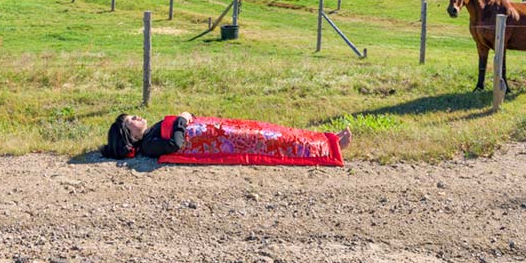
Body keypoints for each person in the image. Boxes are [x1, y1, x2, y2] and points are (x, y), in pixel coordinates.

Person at [102, 110, 352, 165]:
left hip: (215, 130)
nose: (137, 117)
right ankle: (328, 148)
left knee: (265, 129)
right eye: (131, 120)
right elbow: (175, 144)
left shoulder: (150, 135)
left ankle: (322, 139)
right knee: (268, 139)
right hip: (218, 139)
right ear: (130, 134)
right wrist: (182, 119)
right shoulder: (148, 144)